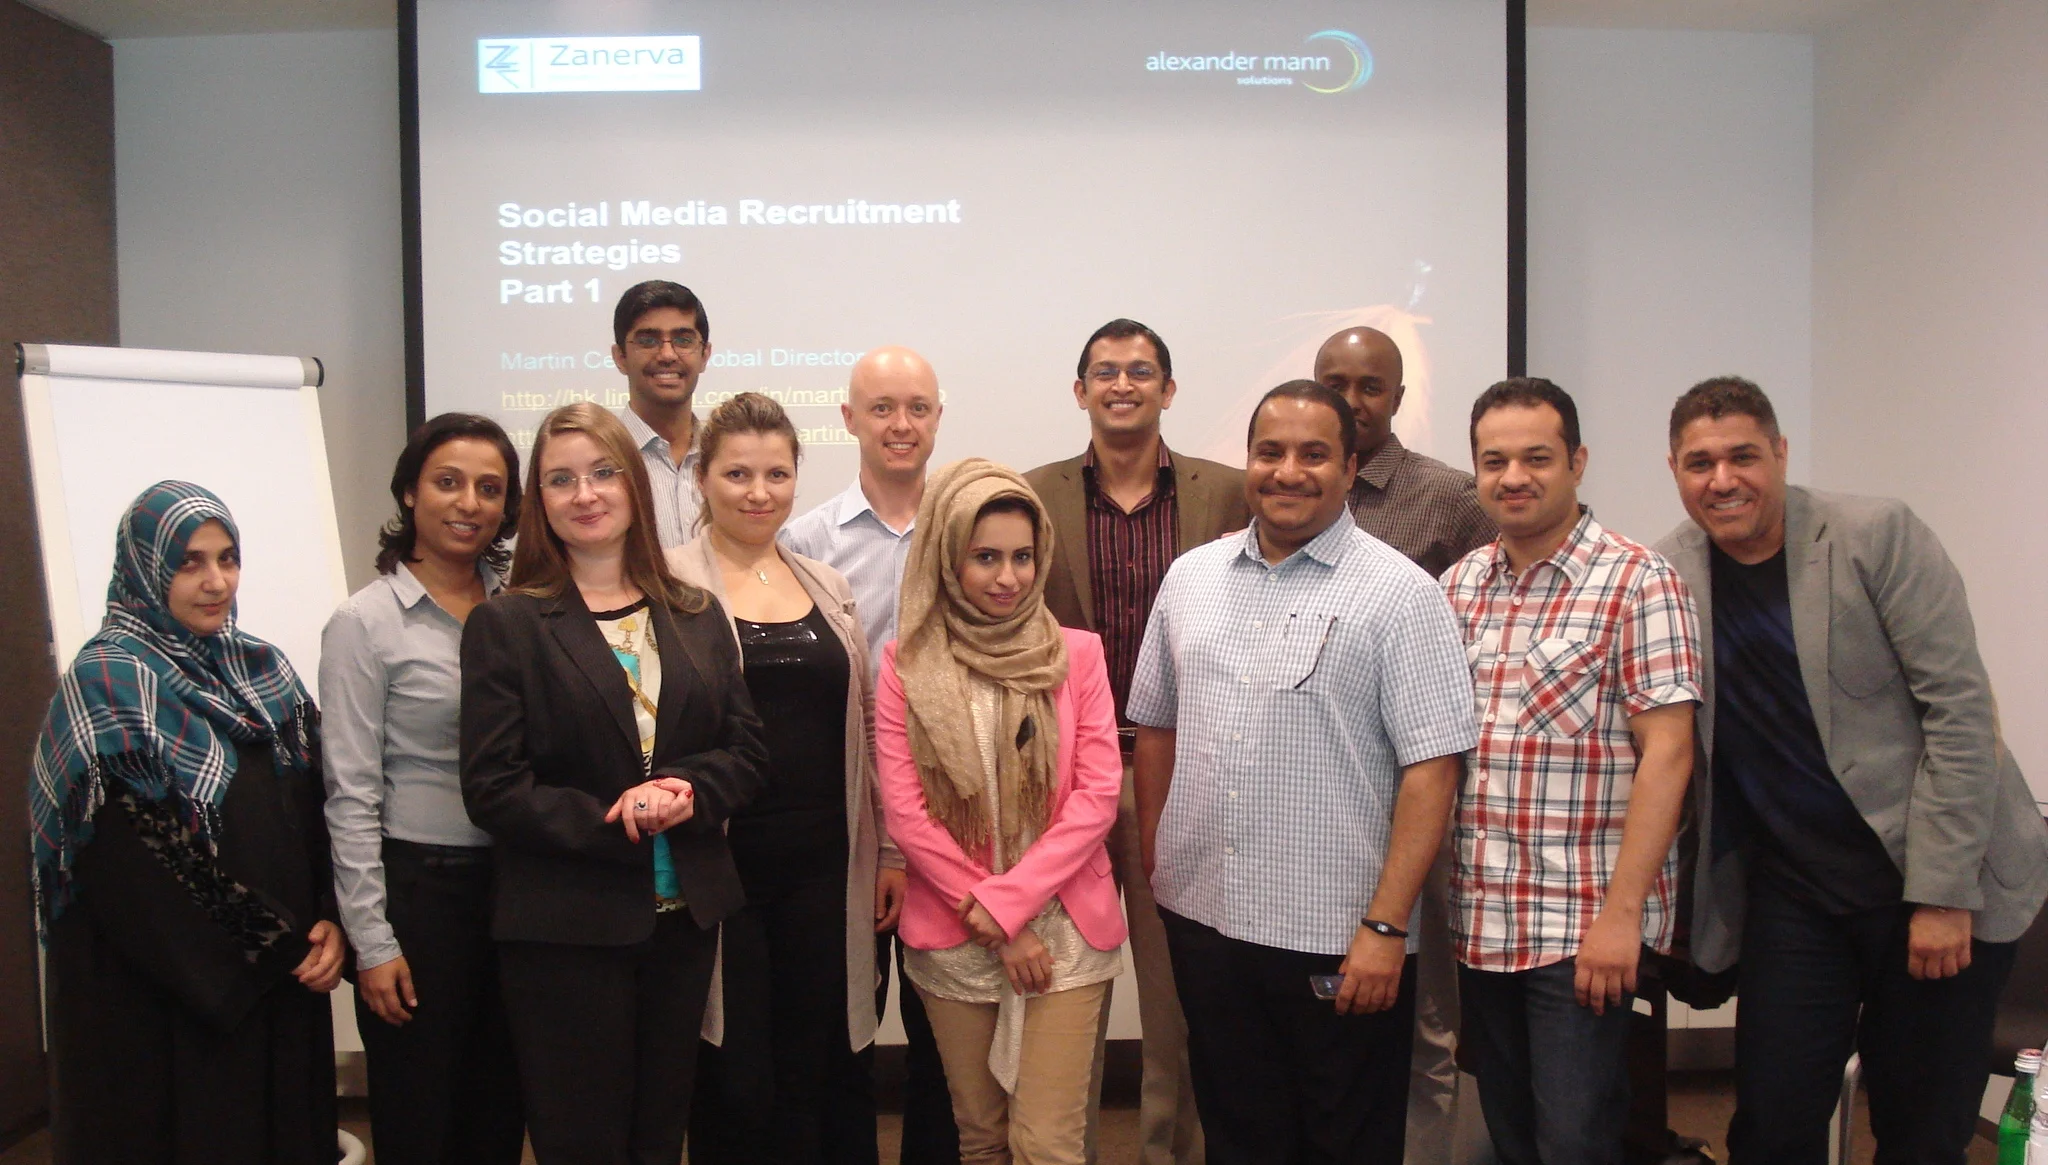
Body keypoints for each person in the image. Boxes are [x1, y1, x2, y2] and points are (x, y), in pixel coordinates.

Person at [1654, 377, 2048, 1165]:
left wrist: (1943, 893)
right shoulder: (1667, 571)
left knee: (1920, 1131)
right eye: (1700, 463)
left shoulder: (1876, 535)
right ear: (1675, 470)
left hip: (1932, 880)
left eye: (1742, 456)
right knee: (1770, 1124)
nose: (1722, 479)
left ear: (1780, 452)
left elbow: (1961, 714)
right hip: (1797, 892)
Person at [1127, 382, 1478, 1164]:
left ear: (1350, 468)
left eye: (1314, 454)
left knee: (1343, 1139)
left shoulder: (1402, 594)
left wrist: (1387, 927)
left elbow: (1432, 769)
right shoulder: (1191, 577)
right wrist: (1158, 857)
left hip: (1338, 938)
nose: (1288, 471)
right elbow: (1156, 723)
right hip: (1206, 922)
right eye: (1271, 452)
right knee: (1237, 1132)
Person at [459, 402, 768, 1165]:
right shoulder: (507, 624)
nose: (586, 493)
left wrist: (686, 789)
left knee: (659, 1136)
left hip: (682, 921)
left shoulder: (696, 613)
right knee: (583, 1141)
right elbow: (494, 786)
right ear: (540, 500)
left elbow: (745, 751)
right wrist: (615, 813)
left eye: (602, 472)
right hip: (565, 928)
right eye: (561, 479)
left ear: (633, 482)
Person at [33, 481, 346, 1164]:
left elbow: (318, 805)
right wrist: (272, 944)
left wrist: (330, 914)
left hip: (282, 986)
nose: (216, 581)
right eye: (188, 562)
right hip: (164, 1008)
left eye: (228, 558)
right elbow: (140, 863)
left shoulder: (263, 670)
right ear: (144, 569)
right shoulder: (106, 682)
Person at [1443, 379, 1700, 1165]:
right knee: (1512, 1136)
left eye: (1537, 458)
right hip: (1479, 924)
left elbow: (1670, 754)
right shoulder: (1458, 586)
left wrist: (1623, 919)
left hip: (1582, 929)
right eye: (1494, 461)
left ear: (1577, 462)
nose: (1513, 477)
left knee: (1576, 1142)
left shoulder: (1639, 579)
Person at [1024, 317, 1249, 1165]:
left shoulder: (1228, 494)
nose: (1123, 384)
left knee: (1177, 998)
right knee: (1063, 993)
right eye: (1106, 371)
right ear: (1079, 390)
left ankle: (1170, 1153)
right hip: (1063, 781)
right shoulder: (1031, 494)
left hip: (1180, 775)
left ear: (1169, 389)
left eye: (1142, 370)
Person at [668, 393, 903, 1164]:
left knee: (819, 1063)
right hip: (720, 870)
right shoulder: (668, 585)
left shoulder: (826, 583)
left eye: (776, 473)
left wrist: (889, 850)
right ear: (703, 478)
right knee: (736, 1076)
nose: (758, 492)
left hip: (826, 868)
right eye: (737, 473)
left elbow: (866, 726)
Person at [876, 459, 1127, 1165]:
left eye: (1023, 556)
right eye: (985, 556)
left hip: (1065, 925)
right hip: (956, 927)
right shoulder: (905, 665)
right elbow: (906, 812)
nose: (1008, 576)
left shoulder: (1077, 654)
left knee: (1046, 1143)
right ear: (947, 557)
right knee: (982, 1139)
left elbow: (1097, 794)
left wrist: (1012, 904)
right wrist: (994, 917)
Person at [321, 414, 526, 1164]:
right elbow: (350, 794)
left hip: (518, 890)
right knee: (421, 1119)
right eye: (448, 482)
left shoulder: (526, 606)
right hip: (421, 897)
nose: (469, 503)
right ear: (410, 492)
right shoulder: (364, 623)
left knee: (499, 1113)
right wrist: (373, 943)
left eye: (490, 488)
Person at [1314, 325, 1496, 1165]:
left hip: (1423, 794)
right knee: (1331, 1006)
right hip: (1325, 796)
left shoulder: (1451, 497)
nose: (1352, 400)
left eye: (1370, 385)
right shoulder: (1292, 485)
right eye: (1335, 382)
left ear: (1397, 395)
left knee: (1429, 1018)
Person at [783, 344, 958, 1164]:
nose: (900, 424)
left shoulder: (969, 533)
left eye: (916, 407)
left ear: (938, 417)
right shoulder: (803, 542)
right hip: (847, 827)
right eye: (882, 407)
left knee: (946, 1041)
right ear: (849, 418)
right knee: (839, 1034)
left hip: (951, 826)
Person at [611, 279, 714, 547]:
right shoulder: (599, 459)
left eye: (683, 340)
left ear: (705, 355)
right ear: (620, 357)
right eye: (648, 340)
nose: (667, 354)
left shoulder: (725, 456)